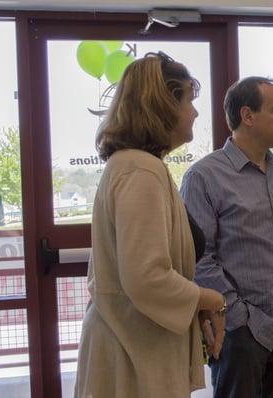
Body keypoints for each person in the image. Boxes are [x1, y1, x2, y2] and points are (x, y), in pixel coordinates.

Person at [74, 52, 226, 398]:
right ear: (163, 105)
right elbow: (146, 278)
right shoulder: (140, 170)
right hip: (131, 357)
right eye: (189, 100)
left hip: (134, 348)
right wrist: (209, 298)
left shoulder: (138, 166)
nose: (196, 113)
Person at [180, 76, 273, 398]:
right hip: (240, 334)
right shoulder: (204, 177)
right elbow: (198, 257)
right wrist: (237, 317)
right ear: (247, 116)